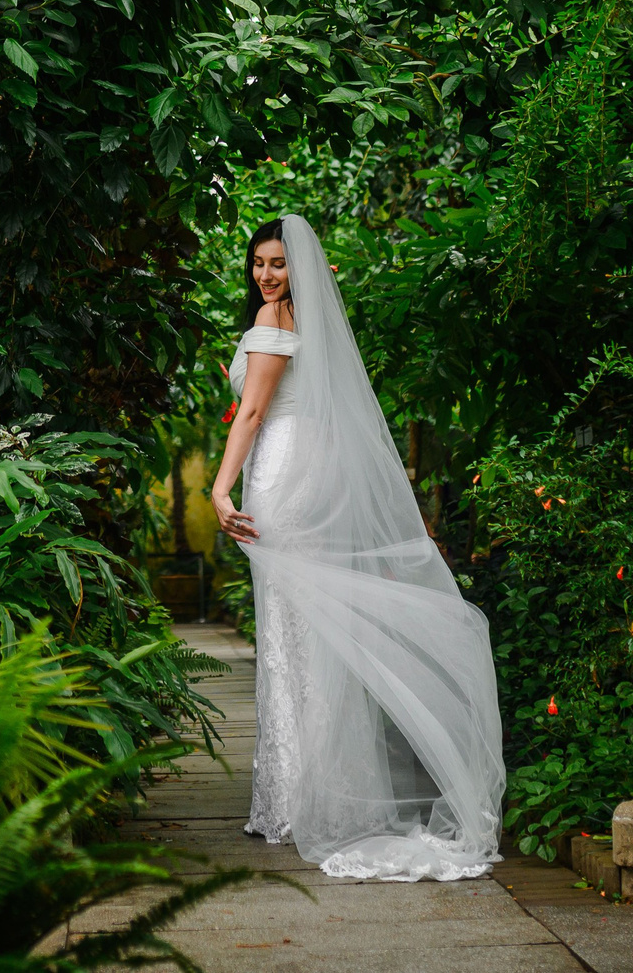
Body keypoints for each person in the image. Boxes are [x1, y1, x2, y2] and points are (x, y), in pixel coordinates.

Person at [208, 214, 505, 881]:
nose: (266, 274)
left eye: (278, 262)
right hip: (309, 476)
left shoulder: (271, 323)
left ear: (298, 268)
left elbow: (251, 413)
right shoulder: (308, 327)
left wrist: (221, 488)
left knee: (290, 638)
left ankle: (295, 804)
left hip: (281, 479)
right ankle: (319, 795)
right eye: (258, 262)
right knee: (312, 641)